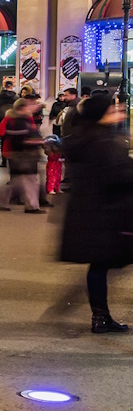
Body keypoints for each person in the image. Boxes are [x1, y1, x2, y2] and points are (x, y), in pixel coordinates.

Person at [59, 91, 133, 333]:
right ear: (101, 114)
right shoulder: (104, 142)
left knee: (100, 266)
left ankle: (100, 316)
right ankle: (99, 316)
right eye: (113, 110)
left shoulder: (83, 137)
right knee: (102, 265)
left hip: (90, 212)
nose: (119, 113)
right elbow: (119, 177)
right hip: (109, 214)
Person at [0, 98, 45, 213]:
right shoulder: (18, 121)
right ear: (22, 107)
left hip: (21, 155)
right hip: (23, 155)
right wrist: (37, 142)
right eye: (30, 105)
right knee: (29, 181)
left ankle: (0, 202)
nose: (33, 107)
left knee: (17, 181)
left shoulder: (22, 119)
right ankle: (31, 206)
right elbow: (18, 140)